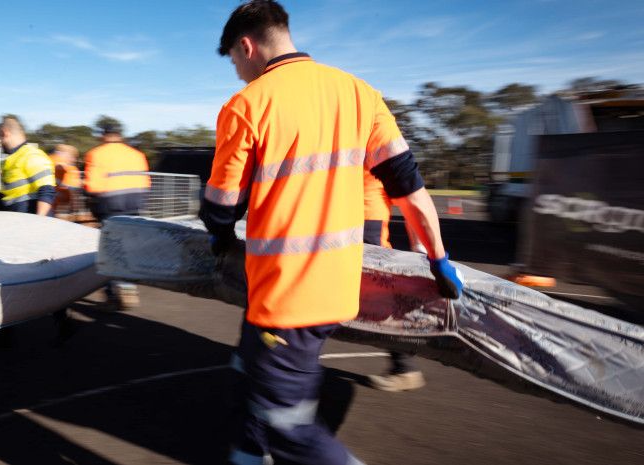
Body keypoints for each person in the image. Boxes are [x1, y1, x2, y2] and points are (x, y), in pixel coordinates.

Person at [199, 2, 464, 464]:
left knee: (288, 428)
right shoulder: (360, 94)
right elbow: (411, 190)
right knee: (246, 377)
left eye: (236, 63)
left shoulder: (247, 106)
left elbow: (220, 208)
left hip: (287, 298)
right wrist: (438, 258)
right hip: (337, 286)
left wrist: (221, 241)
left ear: (247, 45)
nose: (239, 74)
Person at [363, 172, 426, 392]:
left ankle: (405, 368)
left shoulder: (377, 148)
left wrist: (421, 249)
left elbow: (411, 198)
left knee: (380, 305)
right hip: (344, 224)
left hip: (367, 229)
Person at [82, 119, 151, 309]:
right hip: (136, 204)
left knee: (111, 249)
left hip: (110, 206)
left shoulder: (96, 154)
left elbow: (93, 186)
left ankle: (115, 292)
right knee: (129, 246)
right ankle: (129, 285)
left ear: (103, 134)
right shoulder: (137, 154)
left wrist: (89, 199)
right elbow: (146, 183)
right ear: (120, 134)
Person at [0, 116, 56, 216]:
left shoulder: (32, 155)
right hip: (16, 222)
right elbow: (7, 195)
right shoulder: (9, 160)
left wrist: (39, 223)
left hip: (30, 224)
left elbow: (47, 191)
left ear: (5, 133)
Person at [49, 144, 82, 217]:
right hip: (47, 205)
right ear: (66, 154)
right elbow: (73, 187)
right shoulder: (64, 167)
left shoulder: (49, 160)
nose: (74, 160)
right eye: (73, 157)